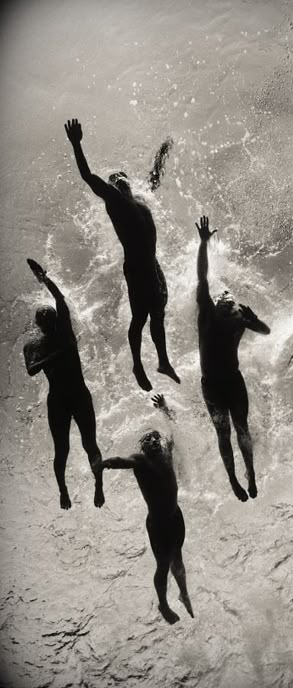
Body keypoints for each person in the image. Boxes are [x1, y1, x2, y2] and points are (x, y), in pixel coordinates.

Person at [64, 118, 179, 391]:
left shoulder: (140, 199)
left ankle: (162, 361)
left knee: (159, 312)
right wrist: (76, 144)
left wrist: (163, 151)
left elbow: (154, 177)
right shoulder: (115, 202)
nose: (120, 182)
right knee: (140, 318)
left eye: (122, 178)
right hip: (138, 268)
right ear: (113, 187)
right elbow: (88, 177)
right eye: (115, 181)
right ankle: (138, 364)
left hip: (152, 265)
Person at [99, 399, 193, 625]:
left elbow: (174, 429)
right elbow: (121, 461)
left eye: (155, 438)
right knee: (163, 565)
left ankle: (184, 593)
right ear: (142, 447)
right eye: (147, 439)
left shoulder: (167, 454)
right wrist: (103, 464)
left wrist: (164, 409)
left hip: (175, 518)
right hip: (158, 526)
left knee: (177, 557)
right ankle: (163, 603)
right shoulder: (140, 461)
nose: (152, 440)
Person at [195, 216, 270, 502]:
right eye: (223, 294)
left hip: (233, 382)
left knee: (242, 429)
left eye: (231, 296)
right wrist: (203, 243)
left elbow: (266, 331)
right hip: (212, 386)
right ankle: (233, 479)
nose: (227, 296)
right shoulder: (207, 313)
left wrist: (255, 319)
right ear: (216, 301)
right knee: (223, 434)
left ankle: (250, 473)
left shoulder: (240, 320)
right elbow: (202, 276)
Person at [23, 259, 104, 510]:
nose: (48, 320)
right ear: (38, 324)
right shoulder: (33, 345)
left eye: (51, 317)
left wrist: (44, 279)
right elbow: (31, 370)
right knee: (62, 450)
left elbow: (59, 299)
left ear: (57, 319)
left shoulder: (65, 331)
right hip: (58, 401)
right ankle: (63, 490)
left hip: (79, 395)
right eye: (44, 318)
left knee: (90, 444)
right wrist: (57, 355)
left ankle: (99, 485)